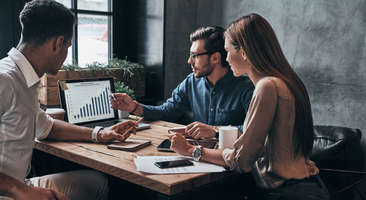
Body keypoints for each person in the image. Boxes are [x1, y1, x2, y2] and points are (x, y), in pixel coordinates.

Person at [169, 13, 330, 200]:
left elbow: (241, 161)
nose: (226, 59)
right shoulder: (287, 81)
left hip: (285, 193)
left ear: (244, 52)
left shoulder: (267, 86)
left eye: (228, 51)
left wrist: (190, 150)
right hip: (307, 187)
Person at [0, 1, 139, 200]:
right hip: (11, 192)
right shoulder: (4, 79)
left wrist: (99, 134)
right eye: (68, 46)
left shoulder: (25, 78)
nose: (66, 55)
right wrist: (22, 191)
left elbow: (46, 127)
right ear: (58, 43)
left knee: (97, 182)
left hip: (21, 185)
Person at [110, 26, 254, 139]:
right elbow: (167, 112)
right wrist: (134, 106)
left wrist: (215, 130)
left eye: (195, 56)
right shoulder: (191, 82)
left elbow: (253, 131)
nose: (189, 61)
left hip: (231, 162)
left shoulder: (246, 87)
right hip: (198, 155)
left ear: (215, 58)